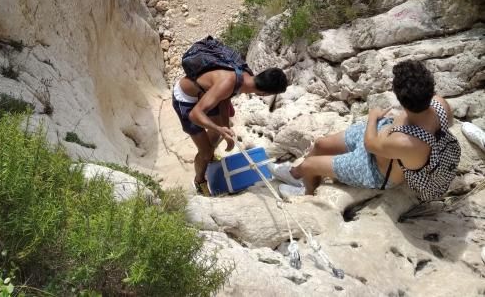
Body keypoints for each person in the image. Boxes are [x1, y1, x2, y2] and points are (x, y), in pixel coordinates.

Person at [270, 60, 456, 197]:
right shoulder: (439, 104)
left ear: (400, 99)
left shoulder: (409, 143)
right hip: (384, 138)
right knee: (320, 144)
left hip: (375, 170)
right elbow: (446, 125)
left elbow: (370, 144)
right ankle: (296, 174)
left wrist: (373, 117)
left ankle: (306, 191)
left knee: (310, 164)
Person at [173, 64, 288, 195]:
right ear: (264, 93)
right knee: (205, 151)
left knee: (217, 135)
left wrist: (225, 128)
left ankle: (208, 158)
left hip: (205, 93)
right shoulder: (229, 82)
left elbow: (224, 98)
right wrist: (220, 129)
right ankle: (199, 181)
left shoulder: (245, 77)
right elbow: (195, 115)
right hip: (185, 98)